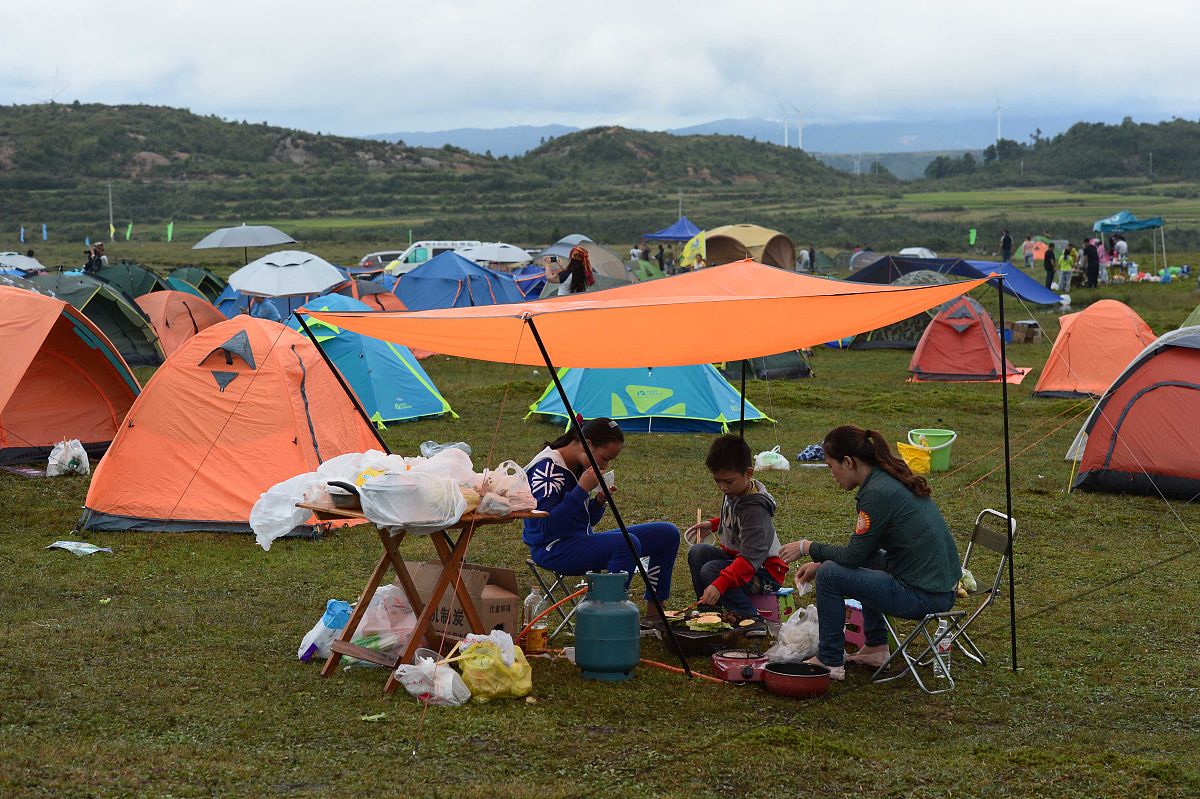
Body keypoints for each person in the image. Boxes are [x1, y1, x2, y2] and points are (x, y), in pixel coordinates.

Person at [778, 426, 960, 681]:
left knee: (831, 575)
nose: (832, 474)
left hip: (926, 595)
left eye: (831, 466)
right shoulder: (886, 478)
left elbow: (853, 556)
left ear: (849, 462)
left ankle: (829, 661)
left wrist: (807, 547)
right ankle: (876, 647)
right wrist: (820, 562)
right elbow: (865, 551)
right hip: (939, 586)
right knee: (866, 561)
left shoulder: (877, 493)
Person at [523, 418, 680, 618]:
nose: (605, 465)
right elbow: (545, 527)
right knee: (626, 543)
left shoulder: (578, 464)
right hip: (552, 548)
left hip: (578, 540)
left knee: (666, 534)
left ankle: (655, 615)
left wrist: (597, 502)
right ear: (588, 444)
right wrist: (581, 490)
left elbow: (582, 521)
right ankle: (608, 618)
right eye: (605, 458)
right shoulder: (547, 471)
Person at [684, 435, 788, 637]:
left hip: (764, 571)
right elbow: (734, 518)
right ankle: (709, 615)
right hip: (740, 560)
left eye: (727, 481)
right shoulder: (734, 491)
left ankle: (751, 619)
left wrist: (719, 583)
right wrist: (713, 524)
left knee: (712, 572)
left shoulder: (755, 510)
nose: (722, 487)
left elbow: (750, 558)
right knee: (698, 552)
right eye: (717, 481)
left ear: (749, 473)